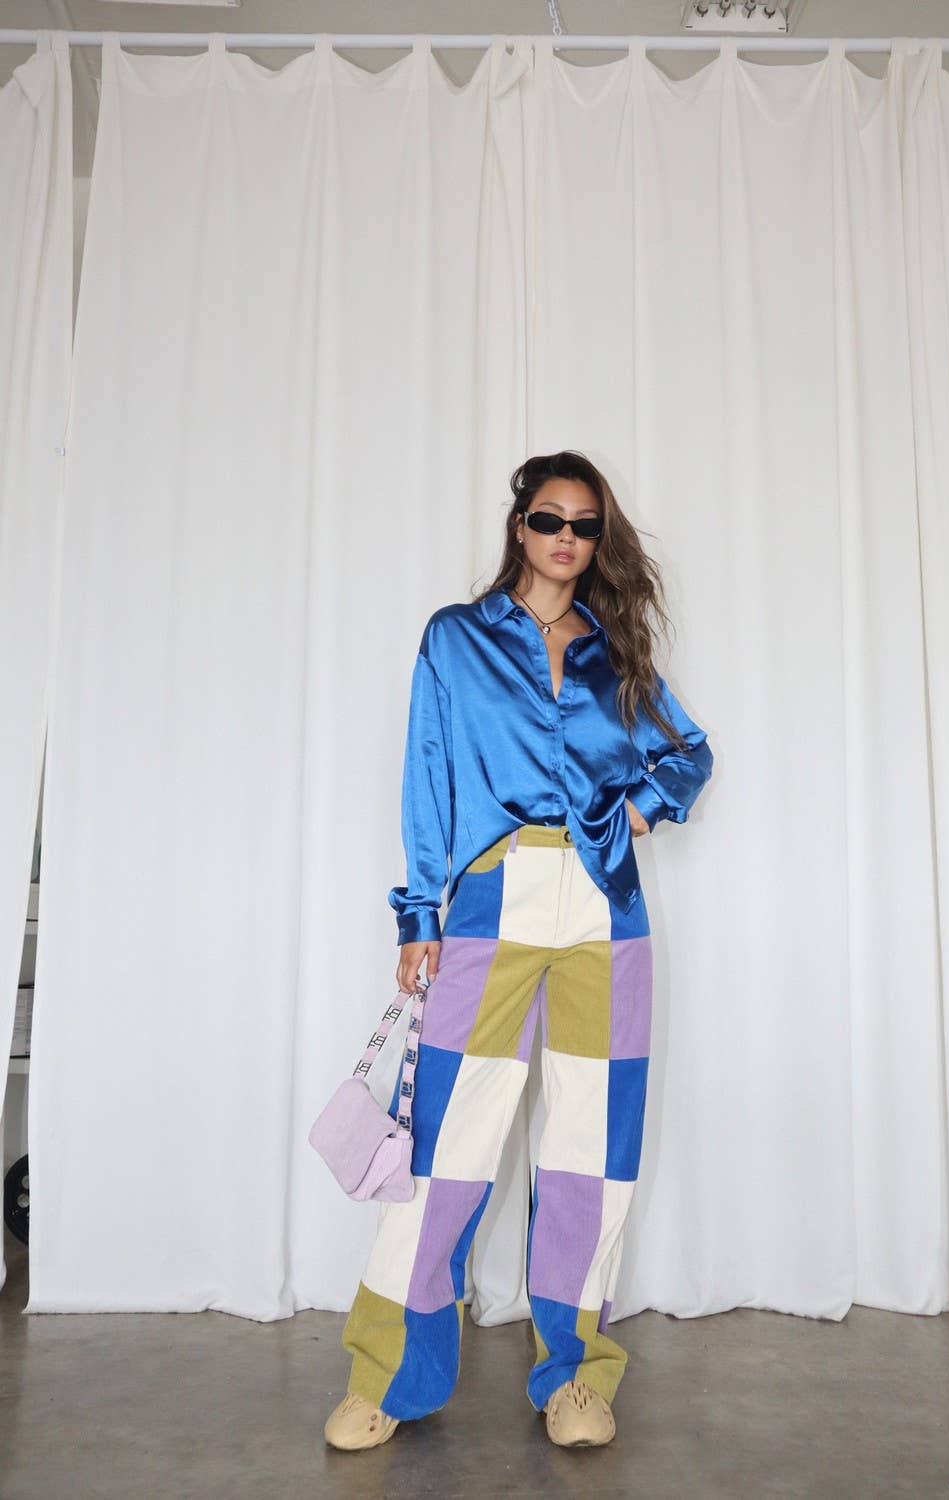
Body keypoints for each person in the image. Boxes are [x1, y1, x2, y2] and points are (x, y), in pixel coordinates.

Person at [325, 450, 714, 1451]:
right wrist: (419, 916)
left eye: (585, 526)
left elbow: (688, 752)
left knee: (590, 1153)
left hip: (605, 910)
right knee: (445, 1147)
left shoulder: (613, 650)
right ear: (519, 526)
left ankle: (575, 1378)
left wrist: (638, 809)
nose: (566, 540)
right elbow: (428, 775)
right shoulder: (456, 640)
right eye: (550, 520)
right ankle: (388, 1375)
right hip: (492, 897)